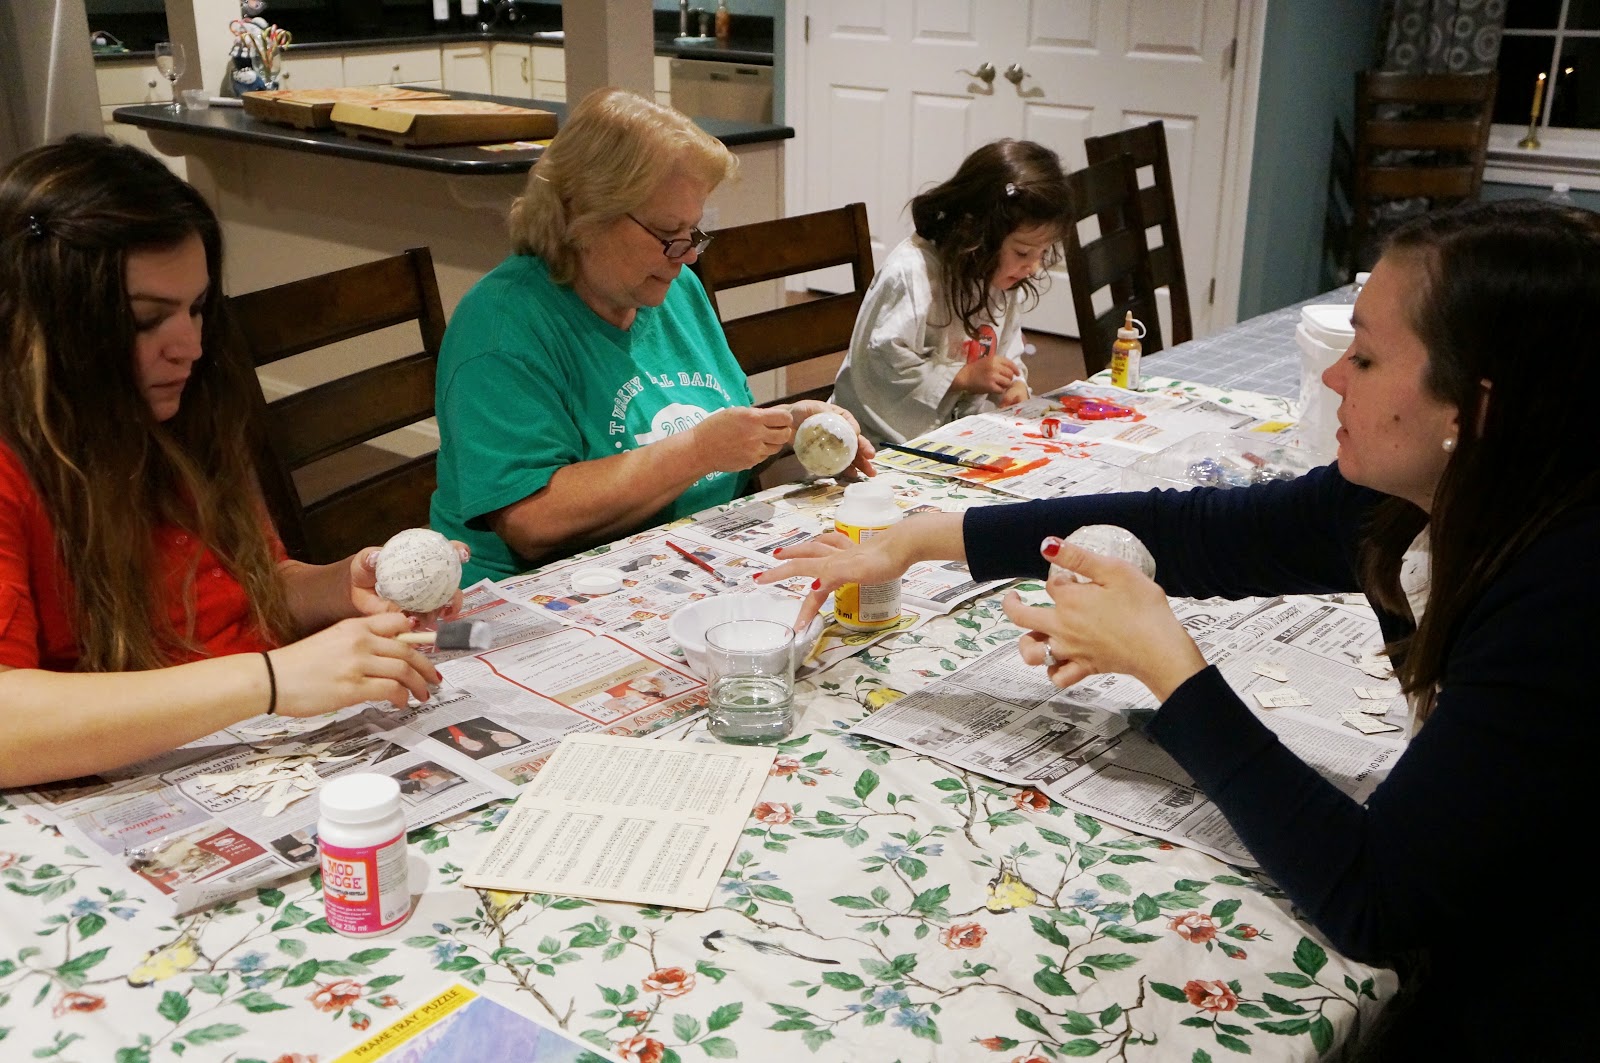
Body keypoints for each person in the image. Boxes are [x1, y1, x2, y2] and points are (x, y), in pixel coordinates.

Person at [761, 200, 1597, 1059]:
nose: (1334, 378)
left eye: (1367, 356)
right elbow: (1197, 530)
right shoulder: (1422, 496)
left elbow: (1376, 898)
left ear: (1474, 410)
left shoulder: (1564, 596)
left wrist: (1171, 668)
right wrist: (932, 535)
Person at [0, 136, 463, 789]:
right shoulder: (15, 463)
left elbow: (248, 588)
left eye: (196, 309)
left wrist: (337, 587)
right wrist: (271, 681)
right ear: (46, 326)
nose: (189, 346)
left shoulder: (183, 417)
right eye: (146, 320)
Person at [430, 87, 874, 584]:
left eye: (694, 232)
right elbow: (532, 521)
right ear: (582, 217)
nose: (688, 255)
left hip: (687, 559)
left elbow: (713, 430)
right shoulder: (501, 326)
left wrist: (792, 427)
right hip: (540, 592)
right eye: (668, 233)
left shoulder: (671, 289)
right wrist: (698, 451)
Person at [830, 139, 1069, 444]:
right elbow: (882, 362)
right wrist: (962, 376)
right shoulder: (912, 272)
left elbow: (1007, 351)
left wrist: (1013, 383)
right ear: (977, 234)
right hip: (875, 444)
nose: (1034, 267)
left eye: (1042, 252)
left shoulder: (1000, 277)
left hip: (952, 438)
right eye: (1023, 253)